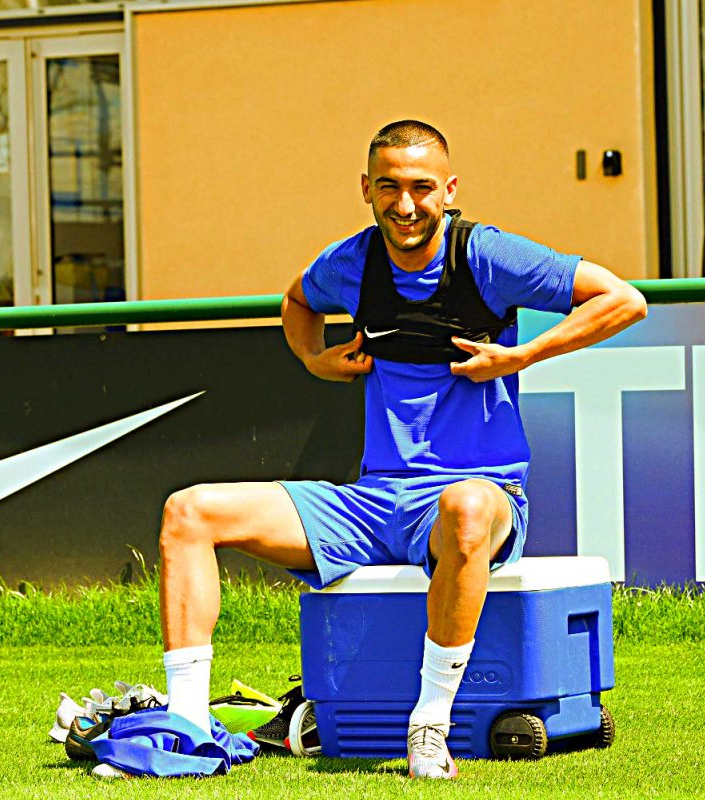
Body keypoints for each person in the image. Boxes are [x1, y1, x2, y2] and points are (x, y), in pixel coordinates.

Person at [157, 120, 647, 780]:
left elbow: (623, 299)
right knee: (188, 512)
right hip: (372, 501)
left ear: (449, 190)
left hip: (475, 499)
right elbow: (298, 300)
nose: (406, 204)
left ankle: (429, 726)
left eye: (422, 188)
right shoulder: (353, 262)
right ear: (366, 189)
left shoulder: (488, 256)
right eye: (389, 187)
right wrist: (314, 359)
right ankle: (187, 726)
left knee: (467, 507)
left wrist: (523, 353)